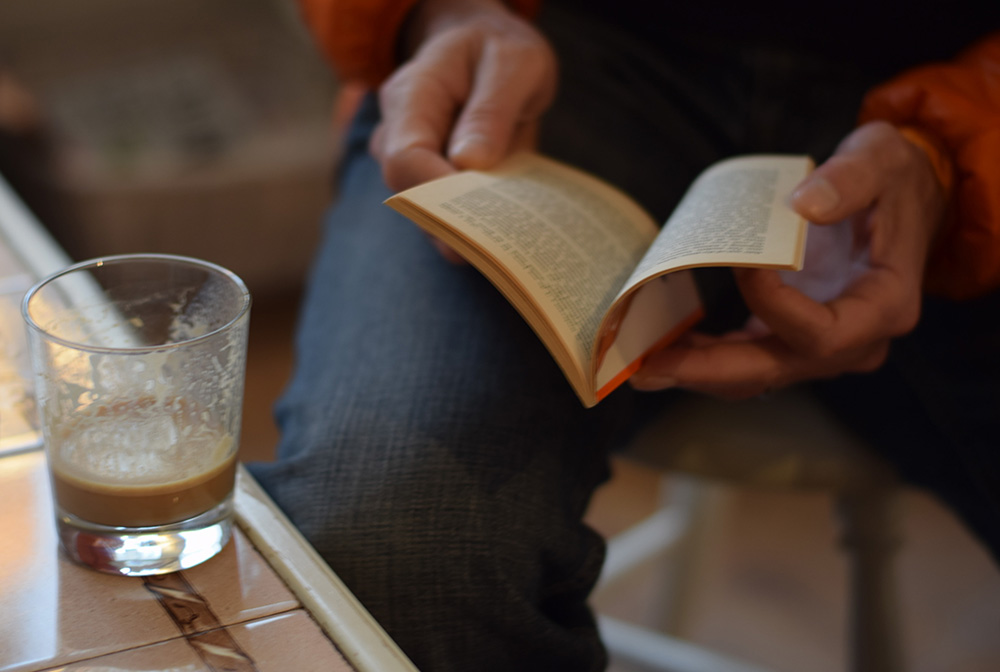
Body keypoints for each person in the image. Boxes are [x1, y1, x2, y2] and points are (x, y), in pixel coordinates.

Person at [249, 1, 1000, 669]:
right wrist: (440, 14)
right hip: (564, 55)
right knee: (388, 543)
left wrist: (958, 152)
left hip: (967, 86)